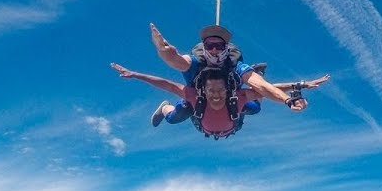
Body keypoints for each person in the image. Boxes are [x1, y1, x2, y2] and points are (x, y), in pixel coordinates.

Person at [111, 62, 330, 140]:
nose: (216, 95)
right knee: (174, 117)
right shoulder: (196, 96)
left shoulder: (237, 97)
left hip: (233, 119)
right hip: (198, 116)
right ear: (204, 91)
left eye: (220, 90)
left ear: (228, 89)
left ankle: (255, 74)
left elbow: (269, 89)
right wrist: (136, 75)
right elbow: (167, 85)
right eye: (211, 91)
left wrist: (300, 86)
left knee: (257, 103)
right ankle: (164, 108)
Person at [150, 23, 301, 112]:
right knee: (177, 116)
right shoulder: (196, 62)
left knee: (254, 108)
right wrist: (164, 51)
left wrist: (288, 100)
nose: (214, 50)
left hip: (229, 100)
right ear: (204, 48)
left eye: (219, 45)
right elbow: (177, 61)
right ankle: (165, 108)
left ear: (226, 48)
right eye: (209, 46)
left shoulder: (235, 65)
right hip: (198, 99)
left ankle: (257, 72)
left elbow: (261, 86)